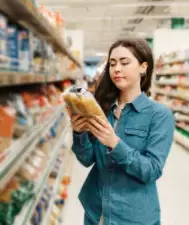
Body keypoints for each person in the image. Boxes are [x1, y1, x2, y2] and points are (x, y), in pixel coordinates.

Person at [68, 38, 175, 225]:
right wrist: (79, 133)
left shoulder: (160, 115)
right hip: (96, 211)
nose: (116, 68)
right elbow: (87, 160)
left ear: (143, 67)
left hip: (132, 216)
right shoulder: (102, 108)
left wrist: (115, 143)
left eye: (125, 62)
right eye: (112, 64)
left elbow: (151, 170)